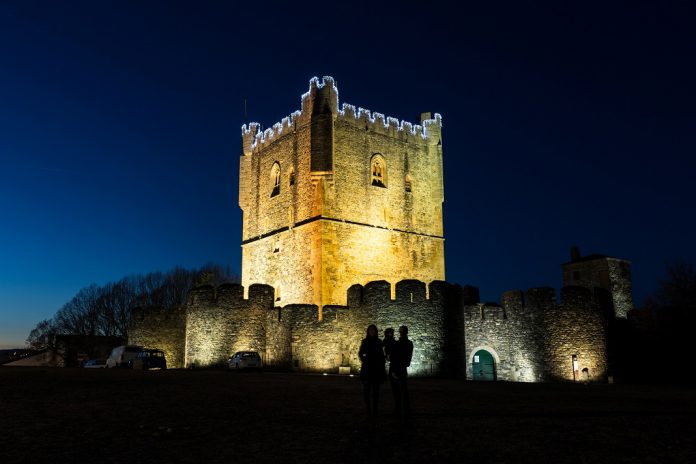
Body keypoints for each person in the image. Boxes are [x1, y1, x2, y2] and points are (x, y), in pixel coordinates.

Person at [358, 324, 386, 418]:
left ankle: (375, 411)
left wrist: (380, 364)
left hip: (376, 371)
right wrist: (364, 360)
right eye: (370, 330)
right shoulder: (365, 341)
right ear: (368, 332)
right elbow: (360, 353)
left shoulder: (379, 342)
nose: (372, 332)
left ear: (376, 332)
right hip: (367, 370)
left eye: (373, 330)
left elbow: (382, 356)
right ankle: (368, 411)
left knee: (375, 392)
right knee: (366, 392)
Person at [391, 325, 414, 420]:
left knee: (401, 391)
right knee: (401, 391)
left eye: (402, 332)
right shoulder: (407, 343)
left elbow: (395, 357)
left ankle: (400, 409)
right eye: (400, 331)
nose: (401, 333)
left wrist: (393, 369)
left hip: (399, 369)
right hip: (400, 369)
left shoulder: (401, 343)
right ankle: (402, 409)